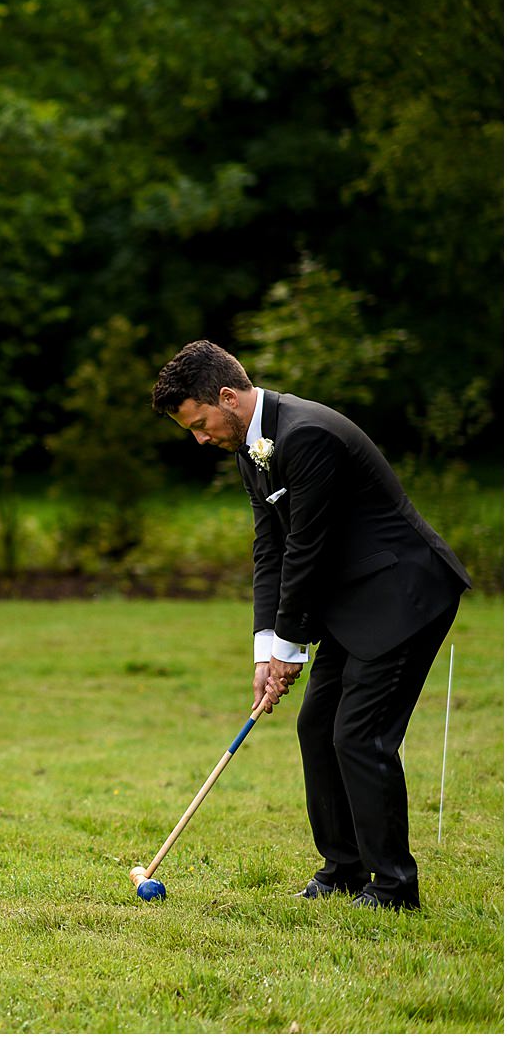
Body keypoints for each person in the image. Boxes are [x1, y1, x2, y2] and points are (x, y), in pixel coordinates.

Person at [151, 340, 469, 910]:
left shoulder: (306, 435)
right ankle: (342, 869)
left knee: (358, 735)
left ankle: (394, 886)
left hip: (403, 594)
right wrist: (265, 647)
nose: (200, 439)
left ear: (227, 397)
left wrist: (290, 648)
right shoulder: (253, 446)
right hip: (354, 602)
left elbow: (307, 547)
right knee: (316, 727)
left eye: (200, 424)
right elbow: (269, 548)